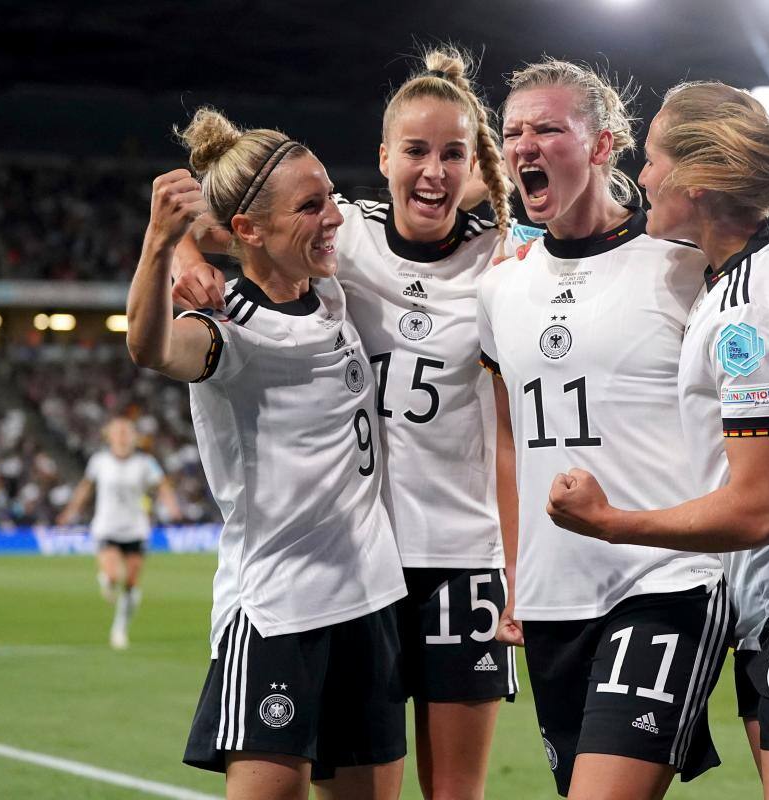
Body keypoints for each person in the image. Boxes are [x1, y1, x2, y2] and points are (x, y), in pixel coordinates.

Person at [169, 49, 524, 800]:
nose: (434, 171)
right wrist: (179, 253)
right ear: (384, 156)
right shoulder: (343, 233)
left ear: (471, 164)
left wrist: (521, 564)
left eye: (452, 154)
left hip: (464, 559)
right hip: (370, 570)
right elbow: (225, 201)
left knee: (456, 794)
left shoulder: (506, 261)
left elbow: (506, 433)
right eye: (417, 151)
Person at [546, 81, 769, 800]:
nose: (643, 175)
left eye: (654, 161)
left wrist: (610, 523)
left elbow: (757, 511)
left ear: (704, 182)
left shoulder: (753, 317)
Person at [128, 107, 408, 800]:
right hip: (282, 614)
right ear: (249, 232)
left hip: (371, 603)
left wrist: (193, 247)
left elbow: (215, 218)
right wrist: (164, 246)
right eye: (311, 206)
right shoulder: (230, 334)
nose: (334, 218)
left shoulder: (332, 292)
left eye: (330, 198)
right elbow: (151, 347)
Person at [476, 59, 729, 800]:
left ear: (603, 144)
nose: (525, 144)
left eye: (548, 128)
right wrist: (516, 572)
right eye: (513, 131)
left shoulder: (685, 268)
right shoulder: (500, 288)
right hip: (555, 598)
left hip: (664, 581)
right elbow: (508, 438)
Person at [57, 415, 181, 650]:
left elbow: (162, 485)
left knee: (132, 583)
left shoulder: (145, 463)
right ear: (109, 436)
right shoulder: (99, 461)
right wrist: (70, 512)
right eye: (119, 431)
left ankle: (120, 628)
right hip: (107, 527)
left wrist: (172, 507)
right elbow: (85, 487)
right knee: (113, 575)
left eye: (127, 431)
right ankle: (106, 579)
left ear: (134, 437)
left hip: (136, 528)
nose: (123, 436)